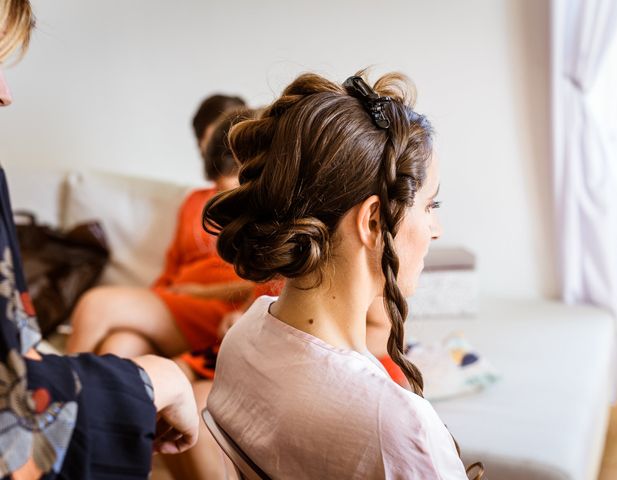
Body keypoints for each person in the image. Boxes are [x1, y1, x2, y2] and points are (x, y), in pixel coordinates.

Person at [204, 71, 484, 479]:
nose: (436, 229)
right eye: (428, 205)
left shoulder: (244, 336)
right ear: (373, 221)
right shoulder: (396, 425)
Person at [0, 1, 199, 478]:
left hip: (207, 316)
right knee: (116, 330)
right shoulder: (197, 206)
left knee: (114, 326)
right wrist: (160, 377)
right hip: (181, 304)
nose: (6, 95)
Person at [66, 104, 268, 359]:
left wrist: (201, 292)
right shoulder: (194, 201)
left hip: (219, 308)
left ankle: (58, 395)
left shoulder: (258, 208)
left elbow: (262, 286)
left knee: (94, 305)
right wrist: (153, 296)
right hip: (174, 301)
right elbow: (172, 264)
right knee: (118, 348)